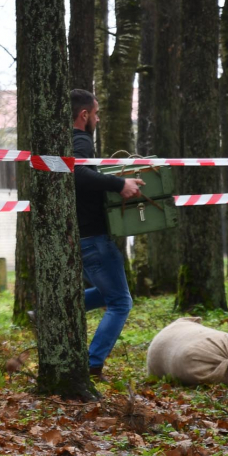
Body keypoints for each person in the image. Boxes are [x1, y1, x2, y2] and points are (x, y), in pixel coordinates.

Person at [71, 88, 143, 387]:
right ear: (84, 115)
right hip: (93, 237)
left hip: (85, 235)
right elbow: (78, 175)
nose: (98, 119)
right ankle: (93, 363)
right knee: (121, 302)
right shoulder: (80, 140)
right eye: (96, 113)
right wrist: (119, 184)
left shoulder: (67, 140)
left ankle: (52, 308)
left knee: (109, 293)